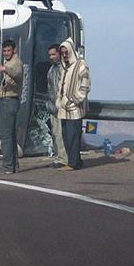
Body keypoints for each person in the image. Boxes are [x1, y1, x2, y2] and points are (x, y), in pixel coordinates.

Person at [56, 38, 91, 171]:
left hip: (74, 108)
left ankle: (73, 163)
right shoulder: (65, 67)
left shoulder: (81, 65)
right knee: (66, 136)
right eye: (62, 53)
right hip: (63, 108)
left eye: (66, 52)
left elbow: (85, 86)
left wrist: (74, 100)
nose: (65, 55)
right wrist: (59, 101)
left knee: (73, 136)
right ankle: (75, 160)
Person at [0, 39, 23, 174]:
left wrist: (3, 68)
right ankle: (13, 165)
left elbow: (16, 73)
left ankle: (8, 166)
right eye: (4, 51)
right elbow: (11, 81)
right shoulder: (10, 62)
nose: (6, 53)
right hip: (7, 98)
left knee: (6, 136)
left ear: (14, 50)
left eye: (8, 50)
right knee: (10, 135)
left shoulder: (15, 63)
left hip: (10, 101)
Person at [46, 43, 68, 168]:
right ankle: (59, 157)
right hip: (52, 106)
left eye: (53, 54)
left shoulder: (63, 69)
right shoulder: (52, 69)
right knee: (55, 134)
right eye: (50, 55)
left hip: (60, 107)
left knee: (60, 134)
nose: (51, 57)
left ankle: (63, 159)